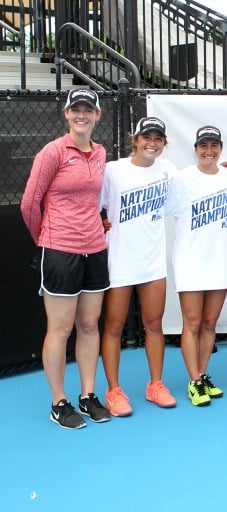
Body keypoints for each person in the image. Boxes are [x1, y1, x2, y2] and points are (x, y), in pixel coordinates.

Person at [20, 88, 111, 429]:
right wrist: (47, 240)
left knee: (89, 325)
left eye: (88, 110)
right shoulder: (52, 152)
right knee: (60, 330)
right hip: (59, 251)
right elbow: (30, 203)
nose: (82, 115)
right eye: (76, 110)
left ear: (97, 115)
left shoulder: (100, 153)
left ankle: (87, 396)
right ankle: (59, 402)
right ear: (67, 114)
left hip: (95, 249)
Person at [100, 117, 177, 416]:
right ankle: (114, 390)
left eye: (158, 138)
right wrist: (101, 223)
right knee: (114, 327)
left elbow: (191, 188)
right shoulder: (113, 171)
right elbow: (94, 207)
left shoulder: (168, 171)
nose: (152, 143)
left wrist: (223, 169)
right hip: (120, 260)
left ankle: (155, 384)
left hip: (152, 262)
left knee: (154, 325)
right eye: (147, 137)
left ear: (164, 143)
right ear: (135, 139)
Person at [165, 126, 227, 406]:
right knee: (192, 323)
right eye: (203, 146)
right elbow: (161, 208)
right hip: (191, 261)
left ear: (220, 148)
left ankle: (203, 374)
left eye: (214, 145)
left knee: (209, 323)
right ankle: (194, 381)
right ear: (195, 148)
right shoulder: (181, 179)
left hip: (220, 259)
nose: (209, 151)